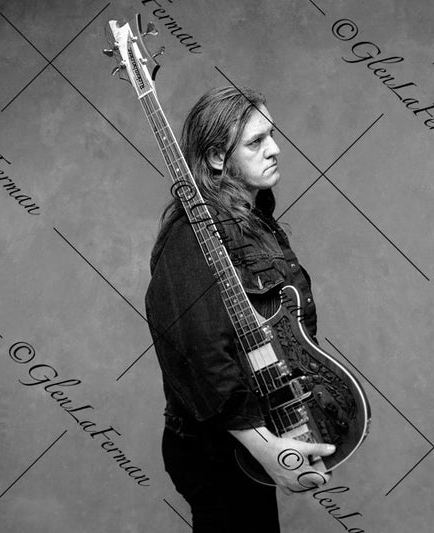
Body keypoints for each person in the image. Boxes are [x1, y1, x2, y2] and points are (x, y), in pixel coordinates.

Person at [145, 86, 336, 533]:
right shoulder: (196, 232)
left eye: (271, 135)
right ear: (216, 158)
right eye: (255, 142)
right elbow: (197, 351)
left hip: (254, 438)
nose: (275, 149)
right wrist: (268, 448)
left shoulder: (253, 220)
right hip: (217, 449)